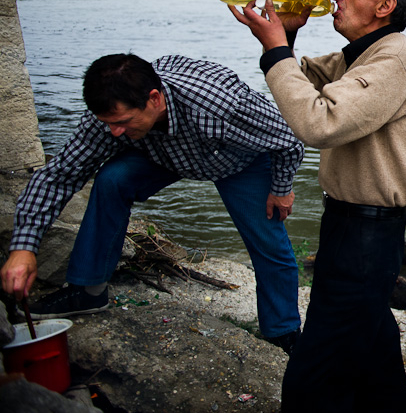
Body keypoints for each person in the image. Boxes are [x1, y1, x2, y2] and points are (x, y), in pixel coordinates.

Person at [229, 0, 406, 412]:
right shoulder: (360, 56)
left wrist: (275, 48)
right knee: (371, 339)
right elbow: (300, 79)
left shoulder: (394, 60)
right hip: (353, 225)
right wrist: (285, 37)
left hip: (368, 232)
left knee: (318, 361)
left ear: (385, 6)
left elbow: (319, 122)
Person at [1, 54, 304, 354]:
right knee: (112, 179)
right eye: (108, 124)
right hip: (165, 153)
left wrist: (281, 188)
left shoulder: (219, 104)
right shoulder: (108, 121)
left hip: (236, 160)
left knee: (268, 242)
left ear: (155, 99)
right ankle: (88, 291)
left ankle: (283, 333)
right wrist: (23, 248)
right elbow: (60, 175)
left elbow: (288, 135)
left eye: (122, 123)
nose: (114, 133)